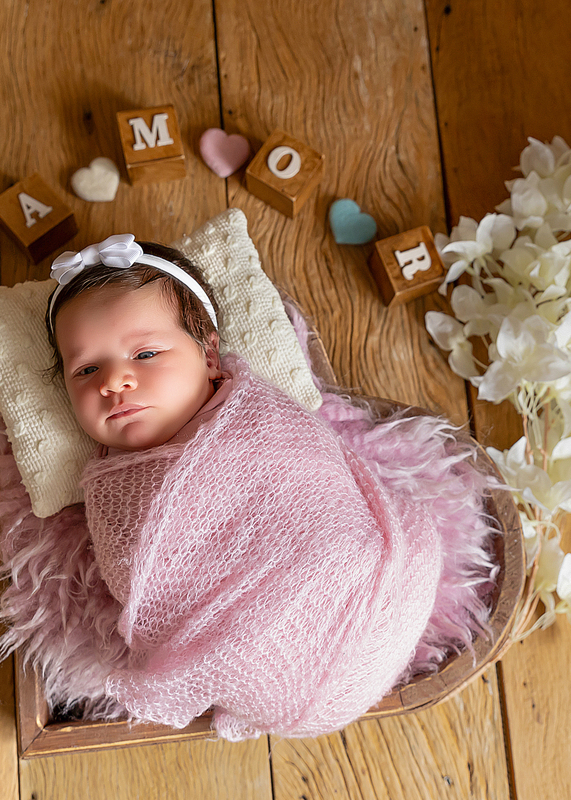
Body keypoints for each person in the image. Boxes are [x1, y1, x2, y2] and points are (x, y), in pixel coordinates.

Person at [39, 234, 444, 741]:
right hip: (254, 659)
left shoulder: (255, 421)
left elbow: (317, 486)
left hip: (361, 580)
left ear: (210, 355)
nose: (114, 381)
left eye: (145, 353)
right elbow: (136, 577)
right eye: (87, 369)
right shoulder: (110, 485)